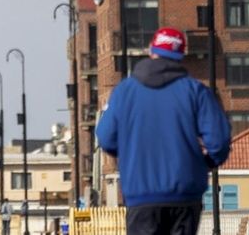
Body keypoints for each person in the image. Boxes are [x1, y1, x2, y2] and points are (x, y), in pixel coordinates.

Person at [95, 27, 231, 235]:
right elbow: (219, 142)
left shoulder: (125, 91)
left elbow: (105, 138)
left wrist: (130, 156)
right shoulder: (195, 91)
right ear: (181, 55)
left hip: (141, 196)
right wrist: (205, 163)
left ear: (151, 50)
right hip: (185, 195)